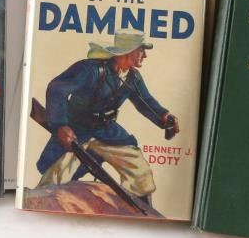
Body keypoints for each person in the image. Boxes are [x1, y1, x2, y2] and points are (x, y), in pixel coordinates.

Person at [35, 31, 178, 206]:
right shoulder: (90, 69)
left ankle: (142, 209)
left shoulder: (133, 77)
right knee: (57, 174)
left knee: (139, 170)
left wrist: (164, 117)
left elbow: (145, 102)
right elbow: (57, 89)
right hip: (77, 128)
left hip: (107, 130)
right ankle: (41, 204)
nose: (145, 56)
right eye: (141, 50)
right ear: (127, 51)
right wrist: (60, 125)